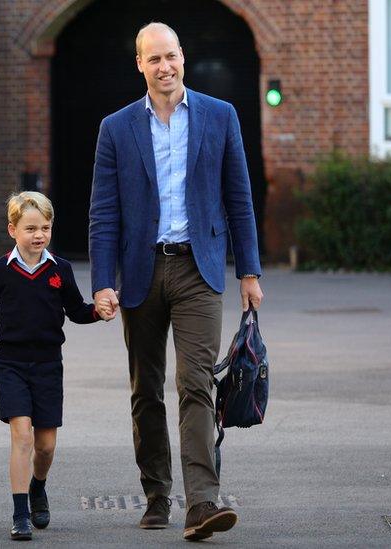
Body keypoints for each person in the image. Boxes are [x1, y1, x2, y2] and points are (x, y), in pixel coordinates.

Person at [88, 22, 265, 542]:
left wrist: (249, 272)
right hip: (140, 271)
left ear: (182, 57)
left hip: (199, 268)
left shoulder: (219, 115)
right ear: (139, 65)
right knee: (146, 390)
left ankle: (202, 503)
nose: (164, 67)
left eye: (171, 57)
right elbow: (104, 213)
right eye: (153, 59)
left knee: (196, 384)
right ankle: (157, 493)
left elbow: (240, 198)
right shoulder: (116, 128)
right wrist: (102, 282)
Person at [0, 191, 102, 541]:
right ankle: (20, 512)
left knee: (46, 446)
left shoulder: (60, 270)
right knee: (21, 436)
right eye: (30, 228)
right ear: (13, 230)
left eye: (45, 228)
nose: (38, 235)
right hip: (10, 364)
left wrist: (99, 310)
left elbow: (77, 310)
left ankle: (38, 486)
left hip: (48, 365)